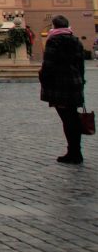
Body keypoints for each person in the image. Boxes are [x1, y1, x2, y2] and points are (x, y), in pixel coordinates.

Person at [39, 15, 86, 164]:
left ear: (54, 26)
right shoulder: (75, 40)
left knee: (67, 119)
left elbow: (48, 64)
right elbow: (81, 64)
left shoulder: (53, 41)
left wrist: (43, 79)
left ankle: (73, 153)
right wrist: (81, 80)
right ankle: (76, 150)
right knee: (72, 117)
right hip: (75, 82)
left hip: (60, 84)